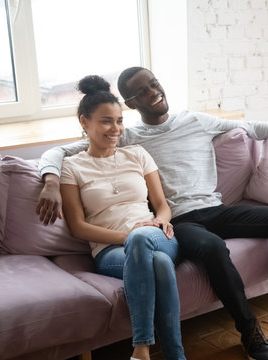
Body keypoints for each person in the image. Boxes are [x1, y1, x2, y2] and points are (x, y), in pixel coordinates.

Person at [36, 67, 268, 360]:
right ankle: (249, 332)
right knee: (213, 247)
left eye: (153, 84)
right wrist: (50, 180)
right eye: (141, 91)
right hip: (180, 222)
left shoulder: (194, 120)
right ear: (131, 103)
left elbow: (253, 127)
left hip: (216, 210)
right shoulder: (128, 137)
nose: (153, 92)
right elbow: (61, 152)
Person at [58, 75, 185, 360]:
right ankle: (176, 356)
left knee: (148, 244)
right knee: (160, 265)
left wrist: (160, 221)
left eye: (119, 121)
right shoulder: (71, 168)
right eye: (106, 121)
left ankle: (141, 349)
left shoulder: (137, 154)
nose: (115, 129)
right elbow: (78, 227)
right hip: (109, 252)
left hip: (157, 236)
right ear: (84, 122)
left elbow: (162, 205)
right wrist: (129, 236)